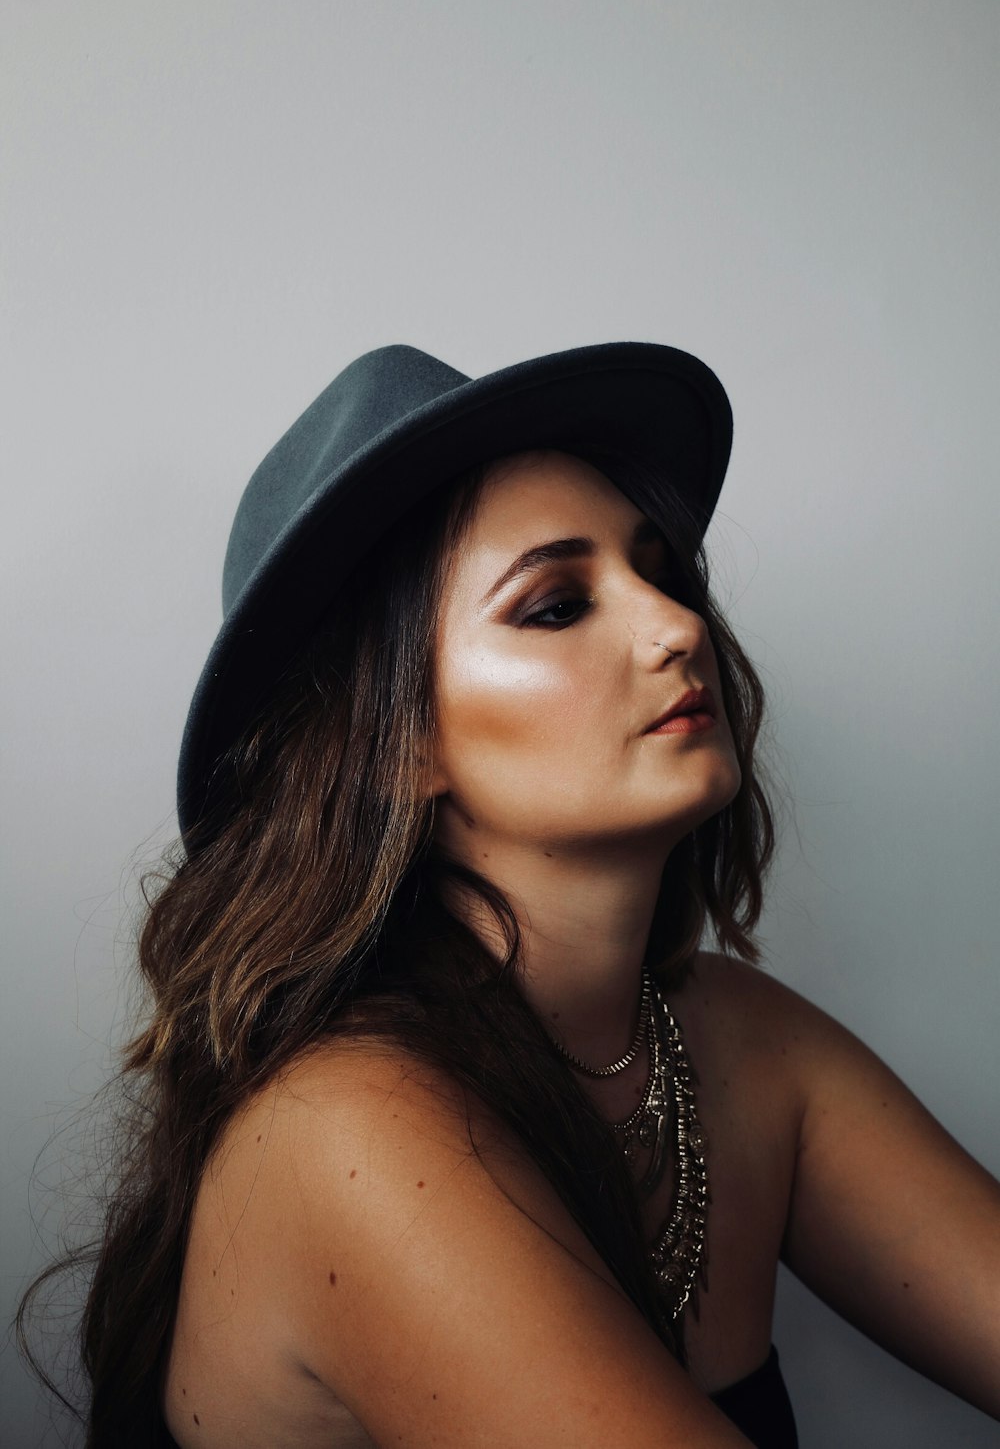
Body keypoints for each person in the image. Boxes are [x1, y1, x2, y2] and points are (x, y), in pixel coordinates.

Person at [18, 343, 1000, 1448]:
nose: (678, 628)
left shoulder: (733, 1043)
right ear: (393, 748)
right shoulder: (346, 1129)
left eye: (661, 570)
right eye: (554, 605)